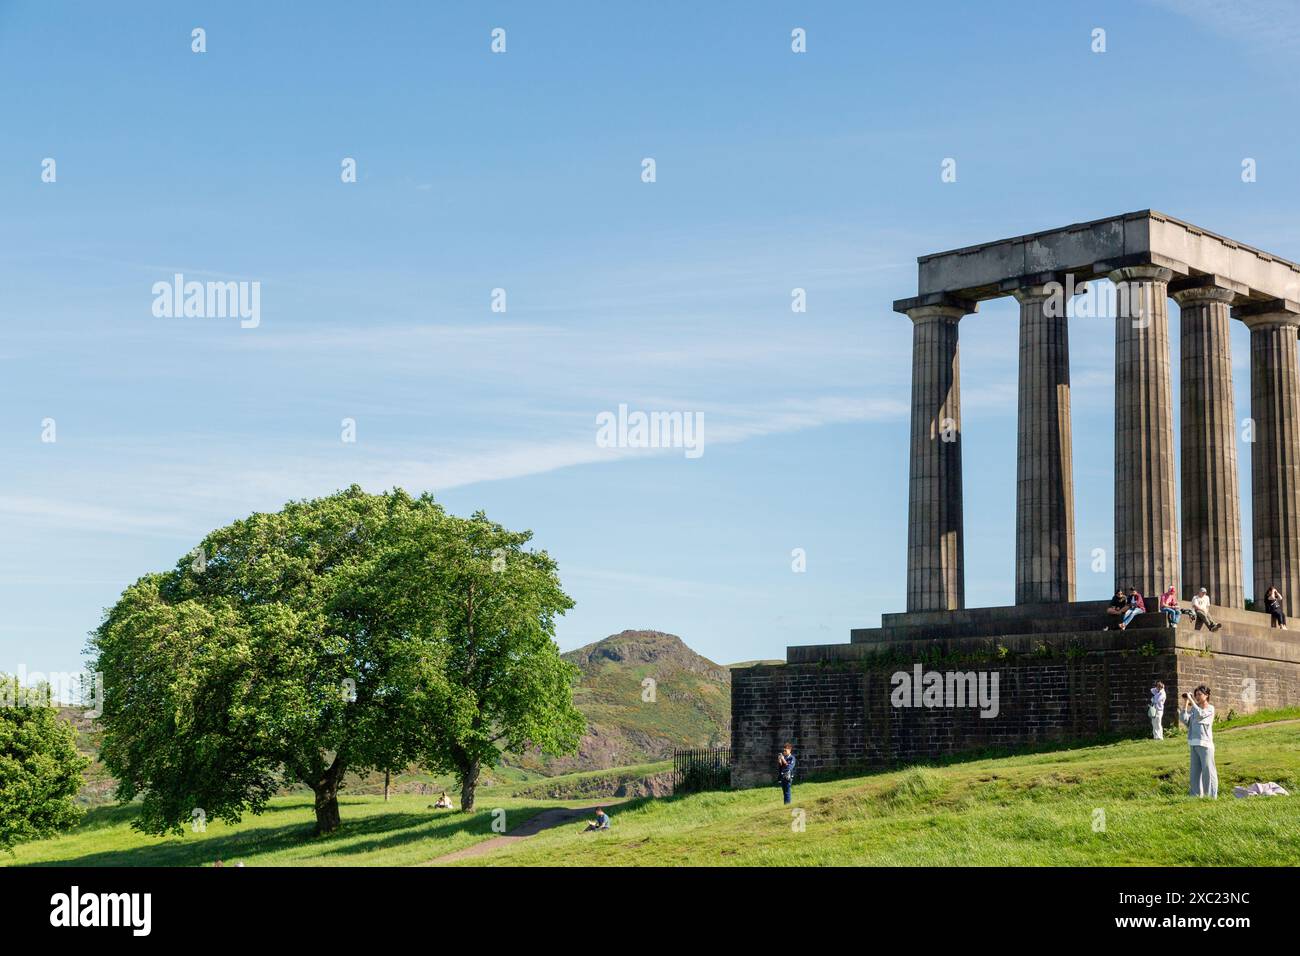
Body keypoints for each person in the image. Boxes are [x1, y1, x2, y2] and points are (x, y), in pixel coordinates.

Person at [1179, 685, 1218, 798]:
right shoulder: (1194, 710)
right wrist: (1186, 703)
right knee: (1194, 774)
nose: (1197, 697)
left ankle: (1210, 797)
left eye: (1199, 694)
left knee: (1208, 773)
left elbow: (1201, 714)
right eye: (1195, 695)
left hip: (1205, 745)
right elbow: (1184, 720)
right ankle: (1195, 797)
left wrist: (1191, 700)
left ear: (1206, 695)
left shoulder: (1210, 708)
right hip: (1193, 744)